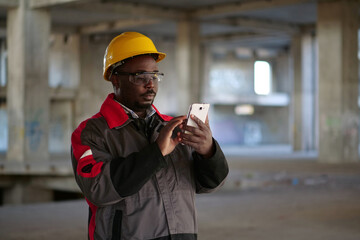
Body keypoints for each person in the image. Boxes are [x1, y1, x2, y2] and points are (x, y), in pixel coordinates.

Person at [71, 32, 228, 240]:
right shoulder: (92, 132)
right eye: (140, 76)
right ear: (115, 79)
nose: (150, 84)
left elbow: (208, 185)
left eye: (154, 75)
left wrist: (208, 152)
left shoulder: (172, 127)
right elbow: (97, 188)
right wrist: (156, 153)